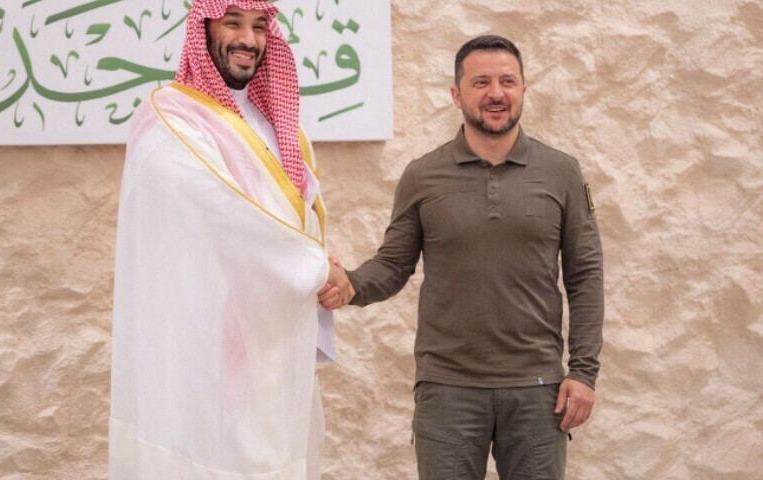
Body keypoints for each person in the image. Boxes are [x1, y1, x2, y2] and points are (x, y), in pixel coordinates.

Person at [319, 35, 604, 479]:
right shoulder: (422, 175)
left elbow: (585, 276)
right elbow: (394, 265)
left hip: (537, 390)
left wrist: (583, 373)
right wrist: (349, 282)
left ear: (524, 90)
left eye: (508, 81)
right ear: (457, 95)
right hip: (446, 391)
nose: (496, 93)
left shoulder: (561, 172)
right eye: (481, 82)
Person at [110, 1, 332, 478]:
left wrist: (320, 266)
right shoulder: (169, 118)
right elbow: (224, 214)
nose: (248, 39)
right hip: (202, 348)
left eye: (258, 27)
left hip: (273, 347)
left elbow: (297, 216)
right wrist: (314, 267)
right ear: (202, 27)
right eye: (232, 23)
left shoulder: (278, 124)